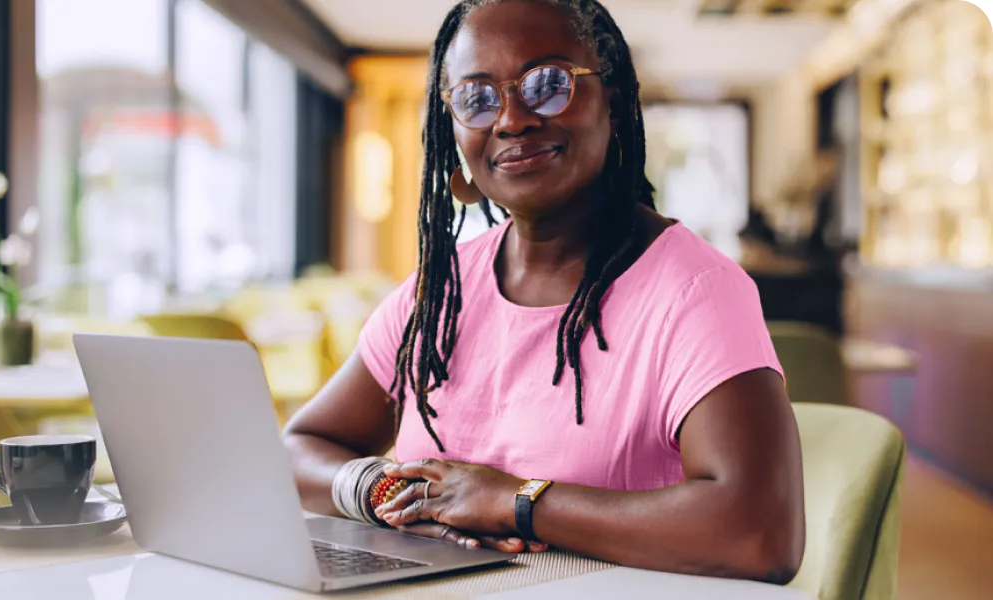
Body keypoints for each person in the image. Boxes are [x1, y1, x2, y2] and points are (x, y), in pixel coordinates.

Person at [284, 0, 804, 584]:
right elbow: (299, 445)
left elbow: (761, 532)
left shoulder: (696, 290)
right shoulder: (441, 289)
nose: (512, 119)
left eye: (548, 84)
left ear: (612, 97)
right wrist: (385, 492)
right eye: (477, 98)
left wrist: (516, 502)